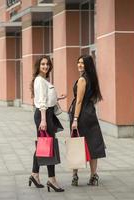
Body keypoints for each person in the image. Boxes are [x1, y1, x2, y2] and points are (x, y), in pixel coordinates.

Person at [29, 55, 66, 192]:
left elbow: (46, 98)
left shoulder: (44, 80)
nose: (46, 66)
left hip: (47, 114)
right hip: (43, 115)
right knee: (49, 145)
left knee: (43, 145)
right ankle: (51, 179)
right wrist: (44, 120)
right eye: (43, 64)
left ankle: (35, 174)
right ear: (38, 66)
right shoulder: (39, 80)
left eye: (47, 64)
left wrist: (57, 97)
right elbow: (42, 102)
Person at [68, 55, 106, 186]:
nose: (79, 65)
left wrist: (75, 119)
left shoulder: (82, 80)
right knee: (93, 144)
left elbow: (78, 101)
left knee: (76, 143)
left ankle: (75, 176)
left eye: (82, 63)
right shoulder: (92, 78)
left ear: (87, 65)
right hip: (90, 113)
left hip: (81, 115)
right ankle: (93, 175)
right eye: (78, 62)